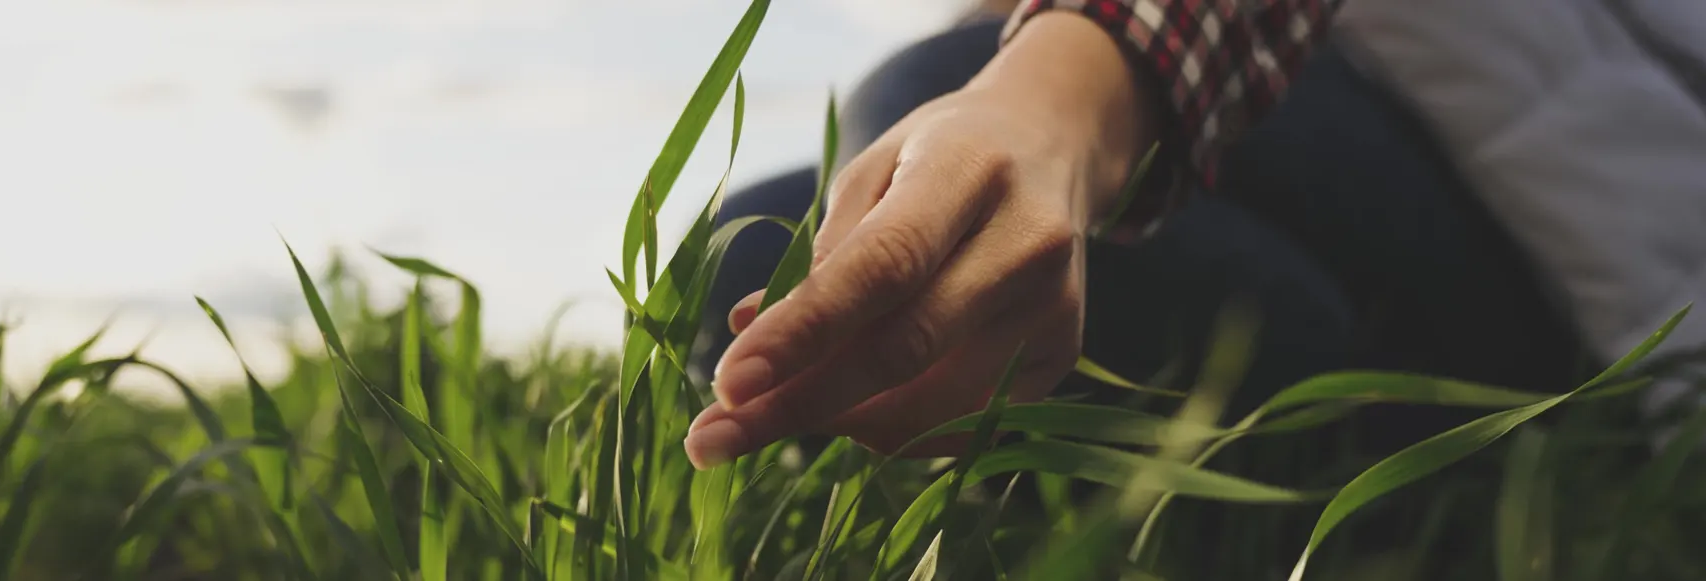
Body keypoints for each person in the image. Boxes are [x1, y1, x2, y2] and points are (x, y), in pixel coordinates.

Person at [683, 0, 1706, 473]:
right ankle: (1253, 446)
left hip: (1570, 256)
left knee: (932, 94)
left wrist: (1047, 109)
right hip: (1326, 126)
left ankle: (1363, 458)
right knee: (744, 249)